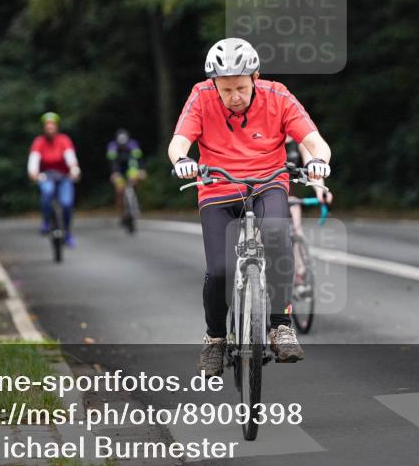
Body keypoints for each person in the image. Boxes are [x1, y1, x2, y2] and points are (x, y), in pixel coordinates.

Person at [168, 38, 333, 376]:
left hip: (268, 182)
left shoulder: (278, 95)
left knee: (278, 239)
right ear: (214, 83)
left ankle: (280, 326)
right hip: (216, 186)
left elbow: (313, 140)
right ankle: (214, 339)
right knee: (219, 270)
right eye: (225, 89)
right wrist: (183, 160)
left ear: (256, 76)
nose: (234, 97)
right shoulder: (201, 96)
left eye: (241, 87)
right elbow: (179, 142)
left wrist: (318, 161)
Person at [28, 112, 82, 247]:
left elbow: (71, 158)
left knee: (67, 203)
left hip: (63, 176)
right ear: (43, 128)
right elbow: (34, 161)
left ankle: (67, 233)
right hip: (46, 176)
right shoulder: (39, 142)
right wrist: (33, 173)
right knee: (47, 192)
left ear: (57, 127)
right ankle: (46, 221)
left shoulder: (64, 140)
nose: (50, 129)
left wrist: (74, 170)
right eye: (47, 126)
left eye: (52, 126)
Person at [285, 136, 333, 286]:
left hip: (288, 193)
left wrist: (321, 192)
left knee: (296, 230)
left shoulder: (296, 134)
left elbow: (310, 164)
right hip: (260, 190)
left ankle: (299, 272)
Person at [106, 128, 146, 217]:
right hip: (118, 169)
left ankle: (135, 200)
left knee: (134, 180)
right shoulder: (112, 147)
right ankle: (121, 211)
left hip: (131, 166)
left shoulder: (133, 145)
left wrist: (142, 170)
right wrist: (114, 173)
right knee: (119, 189)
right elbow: (112, 162)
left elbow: (139, 159)